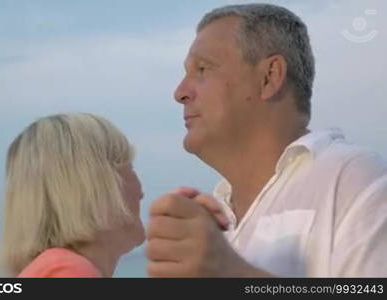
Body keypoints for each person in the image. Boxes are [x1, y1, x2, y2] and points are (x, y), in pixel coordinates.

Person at [146, 3, 387, 277]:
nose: (180, 92)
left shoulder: (351, 177)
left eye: (202, 69)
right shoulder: (215, 219)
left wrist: (229, 272)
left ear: (269, 77)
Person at [0, 113, 144, 277]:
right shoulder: (69, 271)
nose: (141, 192)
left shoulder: (53, 269)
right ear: (96, 186)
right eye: (130, 168)